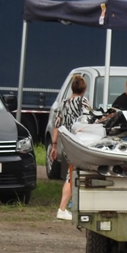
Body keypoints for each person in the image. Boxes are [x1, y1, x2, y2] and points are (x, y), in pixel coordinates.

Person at [50, 75, 91, 221]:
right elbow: (89, 119)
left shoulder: (62, 104)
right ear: (84, 89)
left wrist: (54, 145)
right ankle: (62, 208)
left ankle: (72, 205)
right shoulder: (83, 101)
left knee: (72, 173)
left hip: (67, 144)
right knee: (72, 175)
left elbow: (57, 125)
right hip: (78, 143)